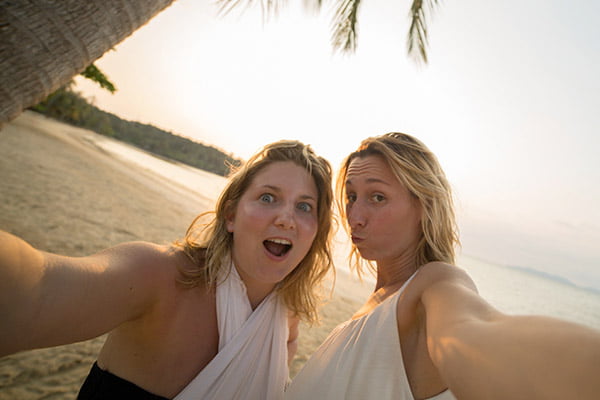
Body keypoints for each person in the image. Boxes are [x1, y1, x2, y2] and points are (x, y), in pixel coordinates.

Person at [0, 139, 334, 400]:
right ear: (231, 215)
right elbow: (39, 289)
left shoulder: (285, 316)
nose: (286, 219)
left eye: (304, 206)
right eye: (267, 198)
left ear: (315, 230)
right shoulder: (159, 276)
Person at [285, 132, 600, 400]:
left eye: (377, 197)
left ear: (423, 206)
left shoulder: (432, 287)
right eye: (352, 195)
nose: (355, 215)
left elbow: (478, 335)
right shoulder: (377, 304)